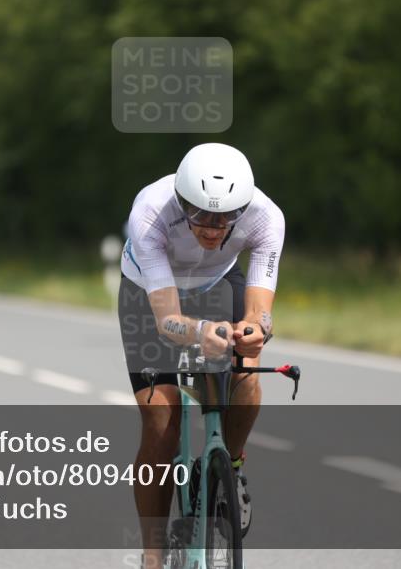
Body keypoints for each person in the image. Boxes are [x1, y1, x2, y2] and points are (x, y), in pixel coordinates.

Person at [118, 143, 284, 569]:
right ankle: (153, 555)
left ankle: (232, 465)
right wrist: (199, 333)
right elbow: (167, 319)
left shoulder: (266, 217)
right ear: (180, 200)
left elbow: (259, 310)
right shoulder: (151, 213)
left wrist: (255, 331)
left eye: (226, 217)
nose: (212, 228)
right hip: (148, 293)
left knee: (246, 369)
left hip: (216, 284)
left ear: (243, 208)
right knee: (161, 418)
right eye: (199, 215)